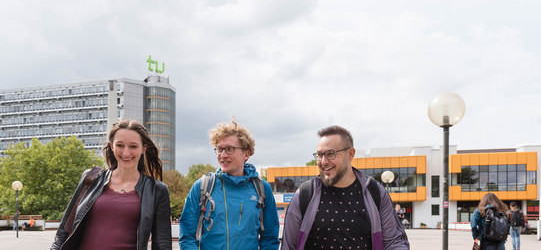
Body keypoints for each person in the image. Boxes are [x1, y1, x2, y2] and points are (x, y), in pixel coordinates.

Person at [281, 125, 410, 250]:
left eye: (330, 154)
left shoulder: (375, 192)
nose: (323, 162)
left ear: (350, 154)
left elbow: (394, 242)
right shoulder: (304, 194)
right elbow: (288, 246)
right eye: (320, 155)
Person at [51, 119, 172, 250]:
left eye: (133, 146)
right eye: (120, 145)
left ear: (143, 148)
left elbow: (162, 243)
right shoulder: (90, 178)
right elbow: (64, 230)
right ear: (111, 146)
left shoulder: (157, 190)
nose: (126, 153)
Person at [179, 119, 280, 250]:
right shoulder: (203, 186)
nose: (223, 155)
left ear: (246, 154)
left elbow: (270, 239)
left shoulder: (262, 189)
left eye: (229, 149)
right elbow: (187, 236)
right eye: (219, 149)